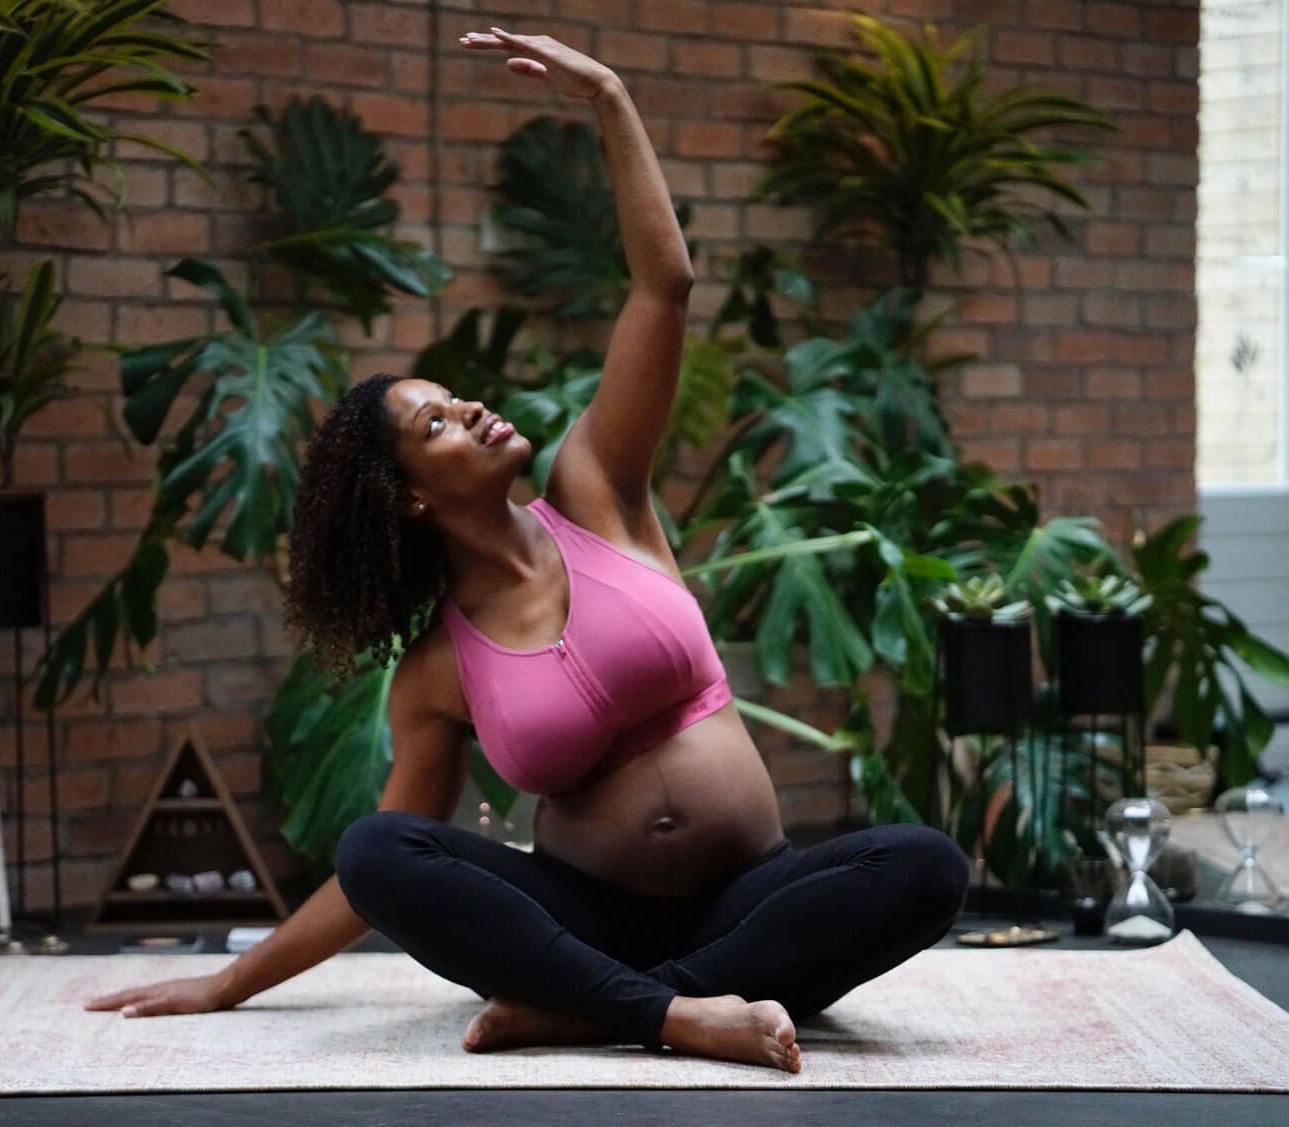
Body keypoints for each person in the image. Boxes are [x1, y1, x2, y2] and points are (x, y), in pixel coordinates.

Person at [85, 27, 970, 1074]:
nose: (468, 406)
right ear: (408, 498)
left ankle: (612, 1010)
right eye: (437, 425)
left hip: (748, 895)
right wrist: (228, 980)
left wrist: (609, 95)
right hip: (580, 917)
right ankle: (678, 1013)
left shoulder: (598, 494)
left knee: (923, 864)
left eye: (455, 397)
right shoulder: (437, 668)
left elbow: (664, 288)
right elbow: (372, 875)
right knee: (379, 847)